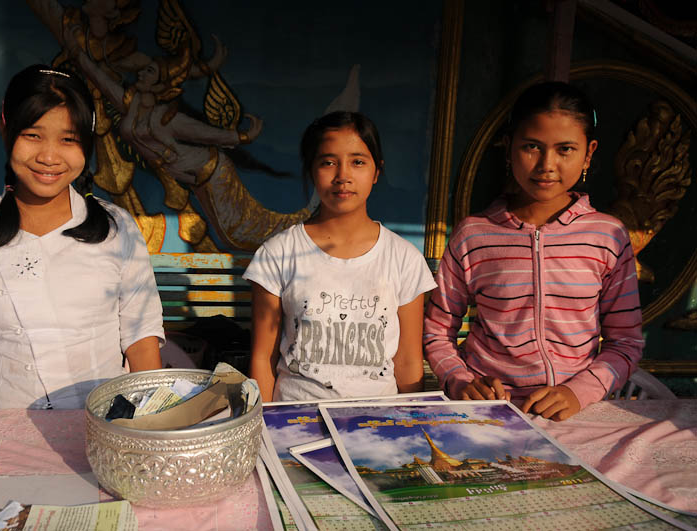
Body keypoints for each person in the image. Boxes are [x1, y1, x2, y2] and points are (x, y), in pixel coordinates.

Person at [0, 65, 165, 409]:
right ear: (7, 131)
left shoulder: (117, 229)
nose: (49, 157)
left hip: (97, 433)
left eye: (68, 139)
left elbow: (141, 341)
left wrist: (149, 436)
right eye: (33, 135)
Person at [424, 82, 643, 421]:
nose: (547, 165)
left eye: (565, 149)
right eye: (531, 147)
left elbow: (626, 342)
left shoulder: (608, 236)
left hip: (576, 415)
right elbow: (437, 331)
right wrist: (460, 381)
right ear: (509, 147)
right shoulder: (473, 235)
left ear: (589, 153)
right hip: (488, 414)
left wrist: (577, 392)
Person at [244, 111, 437, 402]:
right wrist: (268, 429)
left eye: (358, 162)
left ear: (377, 171)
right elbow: (262, 359)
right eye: (328, 162)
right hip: (296, 418)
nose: (343, 176)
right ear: (312, 170)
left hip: (377, 422)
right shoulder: (278, 254)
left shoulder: (403, 258)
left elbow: (408, 362)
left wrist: (405, 429)